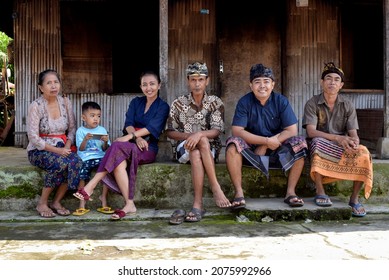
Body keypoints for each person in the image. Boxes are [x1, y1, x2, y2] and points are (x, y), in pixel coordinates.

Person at [73, 70, 170, 220]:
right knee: (119, 162)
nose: (148, 88)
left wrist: (131, 137)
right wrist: (135, 138)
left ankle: (91, 186)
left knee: (117, 144)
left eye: (152, 84)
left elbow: (152, 128)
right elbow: (129, 124)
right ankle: (129, 203)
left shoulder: (163, 106)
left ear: (159, 85)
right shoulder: (136, 102)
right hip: (131, 145)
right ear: (140, 86)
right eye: (144, 84)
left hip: (147, 147)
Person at [225, 63, 308, 209]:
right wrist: (264, 141)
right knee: (232, 145)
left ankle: (290, 192)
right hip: (251, 150)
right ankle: (239, 194)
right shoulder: (245, 102)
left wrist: (267, 143)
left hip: (277, 148)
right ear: (251, 85)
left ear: (273, 84)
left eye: (266, 81)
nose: (262, 86)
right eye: (257, 82)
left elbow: (291, 130)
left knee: (299, 142)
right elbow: (237, 131)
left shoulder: (281, 101)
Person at [302, 62, 373, 217]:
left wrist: (353, 142)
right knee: (317, 144)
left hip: (342, 143)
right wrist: (338, 138)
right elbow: (311, 132)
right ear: (322, 82)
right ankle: (320, 191)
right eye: (328, 78)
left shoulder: (347, 105)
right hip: (321, 141)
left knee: (363, 152)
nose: (332, 82)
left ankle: (354, 199)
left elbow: (353, 133)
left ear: (341, 85)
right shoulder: (312, 103)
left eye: (336, 80)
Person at [166, 61, 232, 224]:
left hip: (209, 151)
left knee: (198, 148)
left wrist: (199, 135)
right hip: (183, 149)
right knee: (198, 143)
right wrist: (191, 137)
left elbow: (216, 130)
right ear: (188, 81)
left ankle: (198, 205)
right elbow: (170, 132)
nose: (197, 83)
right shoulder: (178, 104)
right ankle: (216, 187)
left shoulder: (215, 102)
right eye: (193, 80)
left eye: (201, 79)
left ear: (207, 81)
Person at [26, 69, 83, 218]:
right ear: (41, 87)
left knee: (76, 161)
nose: (53, 86)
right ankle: (42, 203)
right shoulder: (36, 106)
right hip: (39, 150)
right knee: (59, 163)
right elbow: (33, 137)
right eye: (49, 83)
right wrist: (58, 151)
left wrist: (66, 145)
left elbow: (71, 129)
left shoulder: (65, 102)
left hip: (62, 146)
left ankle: (56, 201)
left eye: (56, 82)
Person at [73, 101, 112, 216]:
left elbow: (106, 149)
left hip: (100, 157)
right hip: (86, 158)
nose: (96, 119)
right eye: (92, 116)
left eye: (98, 116)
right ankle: (82, 204)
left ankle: (103, 199)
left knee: (107, 171)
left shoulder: (102, 130)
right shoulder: (80, 131)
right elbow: (81, 148)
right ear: (83, 117)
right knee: (82, 174)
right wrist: (85, 139)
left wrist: (105, 142)